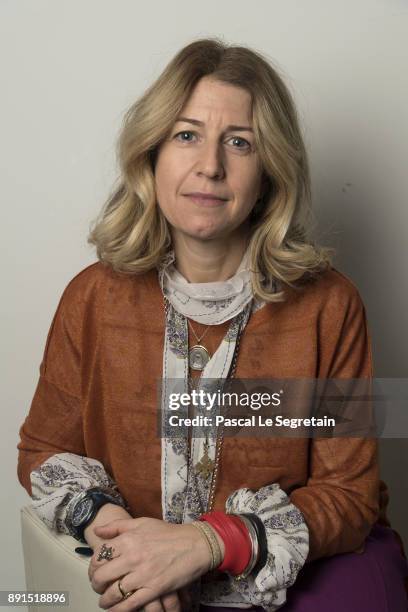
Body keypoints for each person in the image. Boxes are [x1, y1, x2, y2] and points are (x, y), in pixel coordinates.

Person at [17, 38, 408, 611]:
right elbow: (44, 451)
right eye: (186, 134)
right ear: (152, 153)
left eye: (239, 142)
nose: (210, 165)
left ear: (270, 169)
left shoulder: (331, 304)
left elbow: (349, 496)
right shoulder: (92, 297)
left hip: (299, 575)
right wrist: (126, 548)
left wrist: (207, 542)